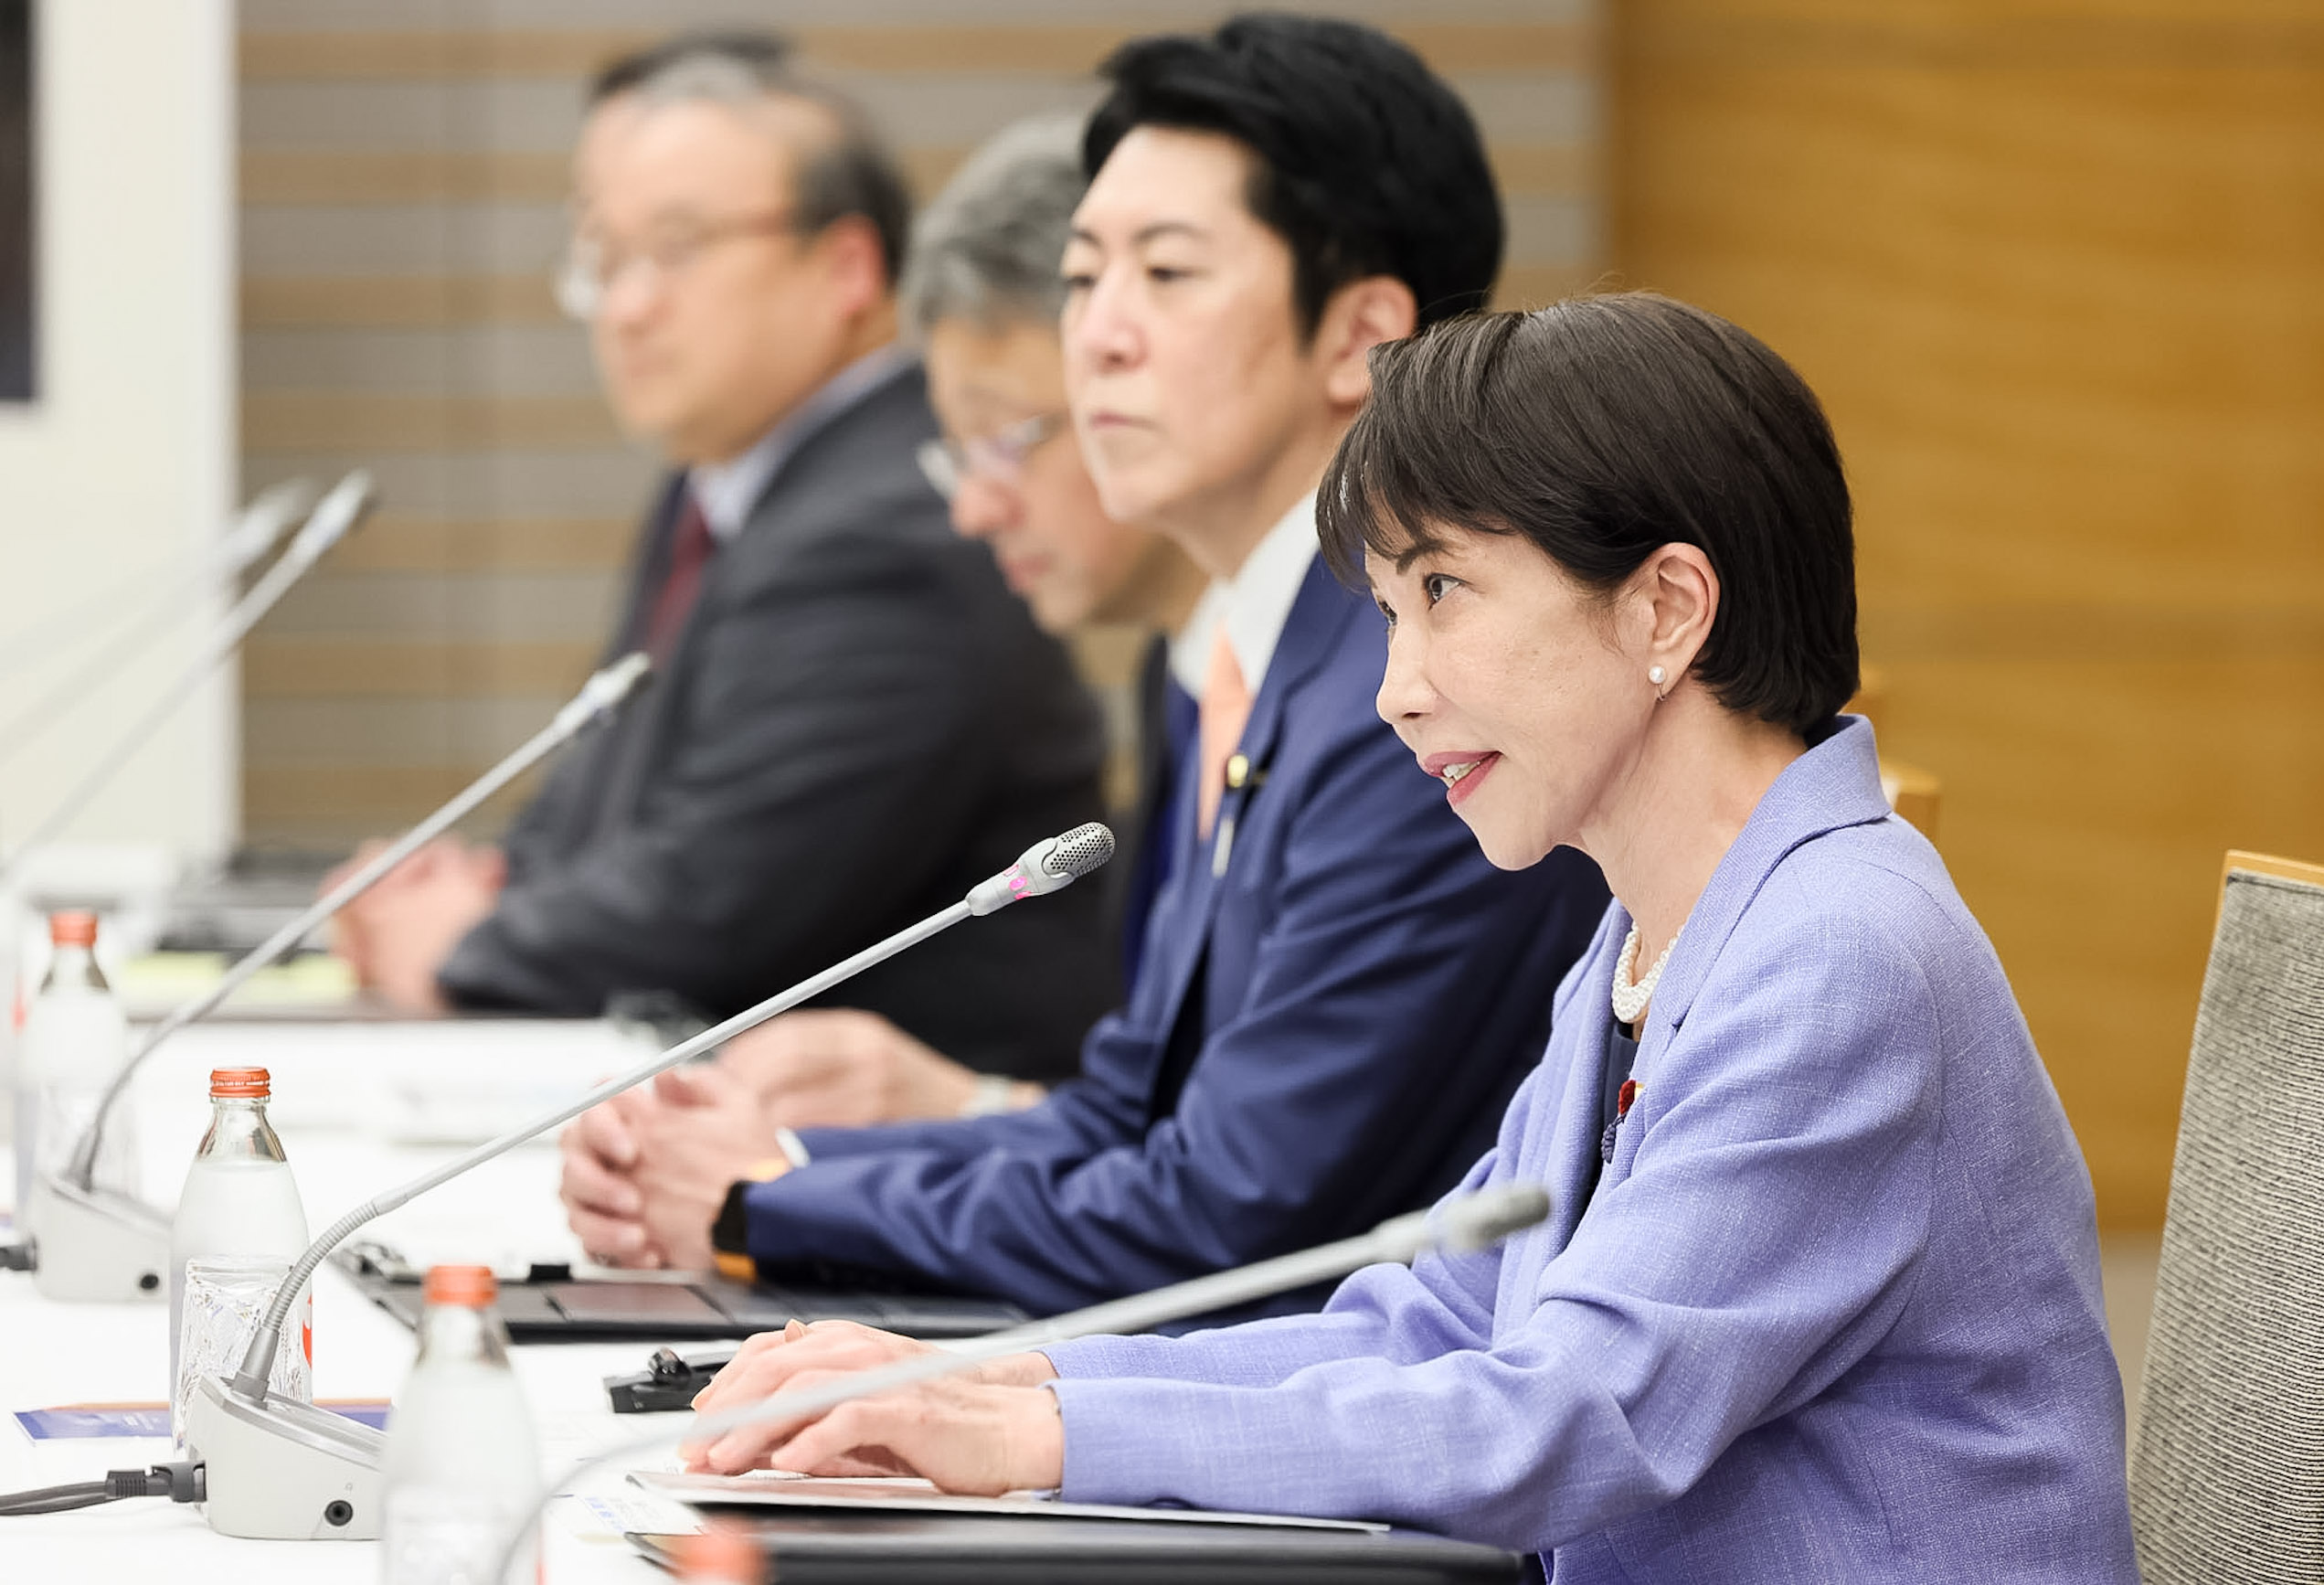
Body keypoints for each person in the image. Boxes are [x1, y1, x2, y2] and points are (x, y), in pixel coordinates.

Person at [674, 294, 2144, 1582]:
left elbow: (1561, 1419)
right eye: (1386, 613)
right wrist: (1008, 1379)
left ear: (1666, 609)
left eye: (1440, 592)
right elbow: (1434, 1318)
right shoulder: (1650, 930)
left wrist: (1037, 1426)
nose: (1394, 690)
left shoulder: (1839, 956)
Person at [556, 15, 1611, 1320]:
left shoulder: (1416, 698)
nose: (1098, 336)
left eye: (1166, 275)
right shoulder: (1241, 657)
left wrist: (772, 1197)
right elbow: (1131, 1109)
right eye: (1082, 276)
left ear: (1362, 341)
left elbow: (1228, 1212)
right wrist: (772, 1164)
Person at [324, 35, 1116, 1090]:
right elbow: (609, 790)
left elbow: (716, 904)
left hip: (915, 1169)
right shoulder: (726, 480)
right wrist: (485, 884)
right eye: (601, 257)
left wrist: (468, 946)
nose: (627, 304)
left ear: (845, 267)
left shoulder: (895, 523)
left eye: (675, 247)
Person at [710, 113, 1206, 1130]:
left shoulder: (1376, 695)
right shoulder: (1181, 663)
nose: (974, 509)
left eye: (1002, 441)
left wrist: (804, 1180)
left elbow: (1260, 1196)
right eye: (957, 452)